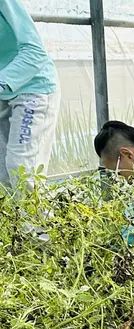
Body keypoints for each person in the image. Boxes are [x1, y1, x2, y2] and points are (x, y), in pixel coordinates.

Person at [0, 0, 59, 188]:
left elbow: (35, 52)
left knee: (21, 168)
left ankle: (37, 209)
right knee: (3, 176)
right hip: (4, 92)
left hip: (33, 88)